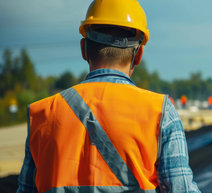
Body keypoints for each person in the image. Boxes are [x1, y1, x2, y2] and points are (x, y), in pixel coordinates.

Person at [16, 0, 201, 193]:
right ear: (138, 55)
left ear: (84, 49)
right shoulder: (161, 112)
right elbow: (180, 188)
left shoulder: (41, 114)